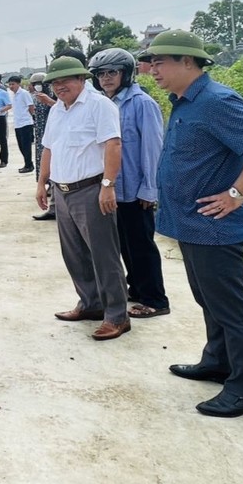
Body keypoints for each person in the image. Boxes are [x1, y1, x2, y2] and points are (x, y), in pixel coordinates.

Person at [138, 29, 243, 417]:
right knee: (209, 301)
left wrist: (236, 194)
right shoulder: (184, 102)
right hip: (190, 223)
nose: (152, 69)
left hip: (213, 227)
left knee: (232, 309)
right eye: (151, 62)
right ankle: (218, 362)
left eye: (160, 62)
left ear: (188, 61)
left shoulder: (217, 101)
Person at [36, 56, 130, 340]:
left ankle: (117, 316)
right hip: (63, 193)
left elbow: (113, 145)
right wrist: (42, 184)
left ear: (81, 79)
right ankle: (90, 304)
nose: (59, 86)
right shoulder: (58, 111)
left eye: (65, 80)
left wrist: (107, 185)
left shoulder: (99, 106)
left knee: (104, 256)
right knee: (75, 255)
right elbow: (48, 149)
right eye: (54, 82)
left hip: (90, 190)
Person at [88, 48, 170, 318]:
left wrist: (150, 188)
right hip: (113, 189)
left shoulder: (141, 103)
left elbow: (153, 150)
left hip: (136, 190)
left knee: (141, 245)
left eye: (112, 72)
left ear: (126, 73)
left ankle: (156, 300)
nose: (106, 78)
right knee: (123, 243)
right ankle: (136, 288)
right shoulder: (103, 103)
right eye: (101, 74)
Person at [29, 72, 56, 220]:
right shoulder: (36, 98)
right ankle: (53, 206)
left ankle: (54, 208)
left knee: (55, 172)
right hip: (41, 139)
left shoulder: (55, 98)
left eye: (41, 83)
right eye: (35, 84)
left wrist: (50, 101)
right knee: (44, 170)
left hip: (53, 140)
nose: (38, 86)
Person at [7, 75, 36, 173]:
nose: (11, 86)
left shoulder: (24, 93)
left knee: (26, 145)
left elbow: (30, 106)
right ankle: (28, 163)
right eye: (10, 84)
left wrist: (32, 118)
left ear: (18, 84)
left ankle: (28, 165)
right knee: (21, 146)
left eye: (13, 84)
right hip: (17, 123)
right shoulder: (13, 95)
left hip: (26, 123)